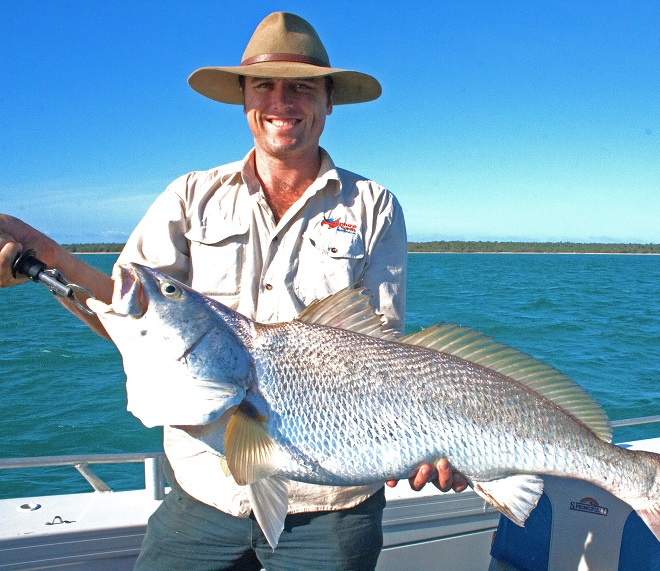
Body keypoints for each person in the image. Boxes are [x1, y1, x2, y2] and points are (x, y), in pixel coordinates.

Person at [0, 12, 466, 571]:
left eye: (302, 87)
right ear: (244, 98)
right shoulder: (190, 195)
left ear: (329, 101)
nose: (281, 101)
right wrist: (54, 262)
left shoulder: (373, 206)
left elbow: (382, 352)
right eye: (264, 85)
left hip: (333, 507)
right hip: (204, 494)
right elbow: (128, 307)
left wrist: (432, 442)